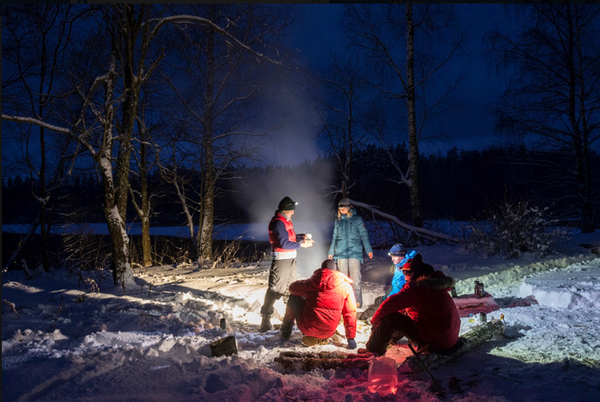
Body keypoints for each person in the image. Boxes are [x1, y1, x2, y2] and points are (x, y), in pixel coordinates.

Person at [364, 254, 461, 356]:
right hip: (448, 339)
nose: (405, 276)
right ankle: (390, 338)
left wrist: (375, 323)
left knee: (390, 318)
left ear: (416, 275)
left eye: (407, 273)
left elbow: (387, 306)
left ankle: (373, 351)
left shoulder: (418, 288)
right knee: (405, 312)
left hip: (436, 342)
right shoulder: (436, 287)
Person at [260, 196, 314, 332]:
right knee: (275, 290)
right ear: (285, 210)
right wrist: (302, 244)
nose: (293, 213)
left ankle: (288, 319)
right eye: (291, 210)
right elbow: (284, 243)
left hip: (290, 260)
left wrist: (301, 237)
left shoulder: (286, 221)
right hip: (281, 260)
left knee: (292, 289)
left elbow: (290, 237)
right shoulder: (278, 222)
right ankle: (265, 319)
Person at [280, 259, 357, 348]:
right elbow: (350, 313)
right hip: (329, 330)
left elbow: (292, 288)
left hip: (307, 328)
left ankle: (286, 329)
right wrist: (351, 338)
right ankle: (323, 336)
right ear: (335, 271)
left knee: (294, 297)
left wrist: (305, 287)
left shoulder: (312, 283)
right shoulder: (345, 287)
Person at [327, 197, 373, 307]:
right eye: (340, 207)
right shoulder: (338, 221)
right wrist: (331, 251)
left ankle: (357, 303)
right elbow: (334, 238)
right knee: (342, 280)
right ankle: (343, 303)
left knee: (355, 279)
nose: (342, 209)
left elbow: (364, 235)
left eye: (344, 207)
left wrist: (368, 249)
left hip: (354, 253)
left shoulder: (357, 219)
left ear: (349, 207)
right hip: (341, 253)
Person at [358, 243, 416, 320]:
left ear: (401, 255)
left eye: (394, 256)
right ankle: (365, 318)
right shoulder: (398, 266)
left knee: (379, 309)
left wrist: (388, 300)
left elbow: (405, 289)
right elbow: (394, 286)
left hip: (398, 301)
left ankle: (368, 320)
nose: (392, 259)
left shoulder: (408, 268)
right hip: (393, 297)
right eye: (391, 257)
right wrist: (385, 297)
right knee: (378, 301)